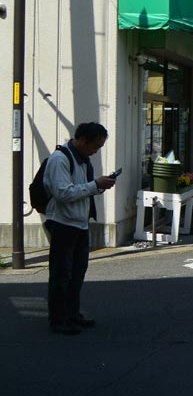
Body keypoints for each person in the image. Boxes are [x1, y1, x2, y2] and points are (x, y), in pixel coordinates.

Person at [44, 122, 116, 335]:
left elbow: (79, 190)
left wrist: (98, 186)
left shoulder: (82, 159)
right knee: (61, 274)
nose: (96, 150)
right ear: (83, 140)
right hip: (63, 223)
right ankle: (58, 319)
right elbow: (63, 193)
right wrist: (95, 185)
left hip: (79, 223)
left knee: (77, 272)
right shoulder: (60, 159)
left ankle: (72, 314)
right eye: (96, 145)